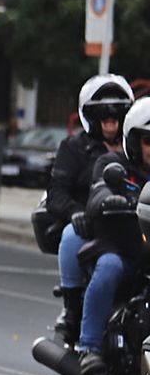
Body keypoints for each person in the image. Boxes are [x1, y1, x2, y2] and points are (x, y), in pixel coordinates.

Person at [46, 74, 132, 344]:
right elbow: (56, 193)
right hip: (92, 225)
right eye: (102, 113)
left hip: (135, 225)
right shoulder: (75, 147)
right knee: (72, 235)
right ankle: (72, 310)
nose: (110, 118)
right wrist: (75, 212)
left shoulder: (138, 147)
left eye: (116, 111)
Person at [76, 97, 150, 375]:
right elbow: (97, 195)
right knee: (109, 267)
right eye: (148, 141)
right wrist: (111, 199)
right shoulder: (113, 164)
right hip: (124, 251)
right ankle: (89, 347)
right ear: (133, 141)